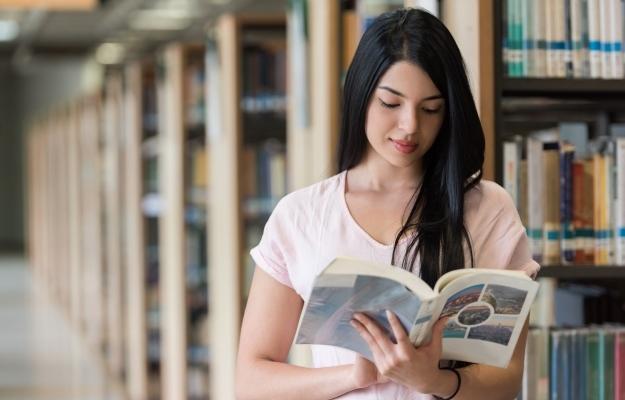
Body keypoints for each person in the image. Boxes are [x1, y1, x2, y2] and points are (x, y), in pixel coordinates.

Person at [236, 7, 539, 400]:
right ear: (361, 96)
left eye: (431, 108)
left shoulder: (487, 208)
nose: (410, 125)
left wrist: (432, 380)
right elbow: (252, 382)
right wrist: (355, 376)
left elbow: (508, 379)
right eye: (391, 104)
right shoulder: (302, 216)